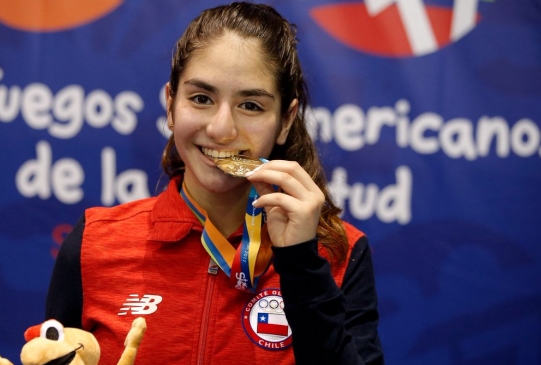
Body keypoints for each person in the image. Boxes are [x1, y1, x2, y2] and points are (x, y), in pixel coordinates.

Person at [45, 2, 384, 364]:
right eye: (201, 98)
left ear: (286, 120)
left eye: (251, 105)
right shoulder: (95, 242)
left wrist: (300, 264)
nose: (221, 129)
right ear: (171, 103)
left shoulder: (338, 253)